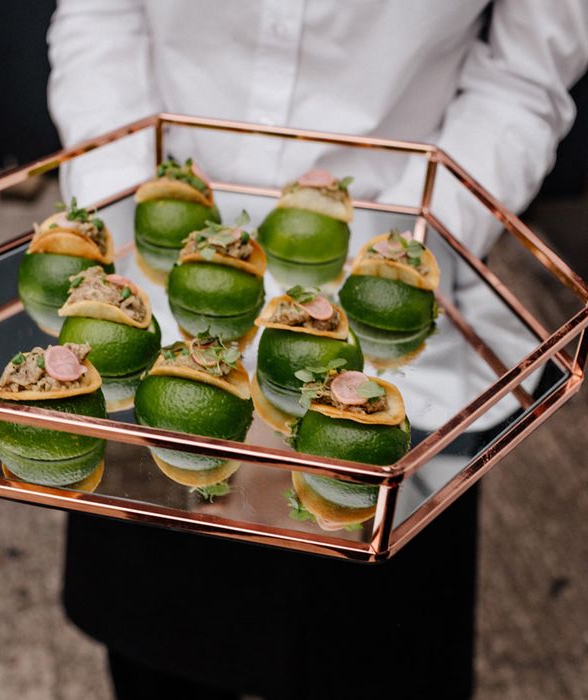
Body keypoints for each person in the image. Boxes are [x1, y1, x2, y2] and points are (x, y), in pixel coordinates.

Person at [47, 2, 588, 698]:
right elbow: (101, 15)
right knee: (164, 644)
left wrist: (399, 262)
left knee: (378, 653)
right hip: (156, 310)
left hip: (398, 324)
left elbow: (525, 73)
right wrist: (122, 212)